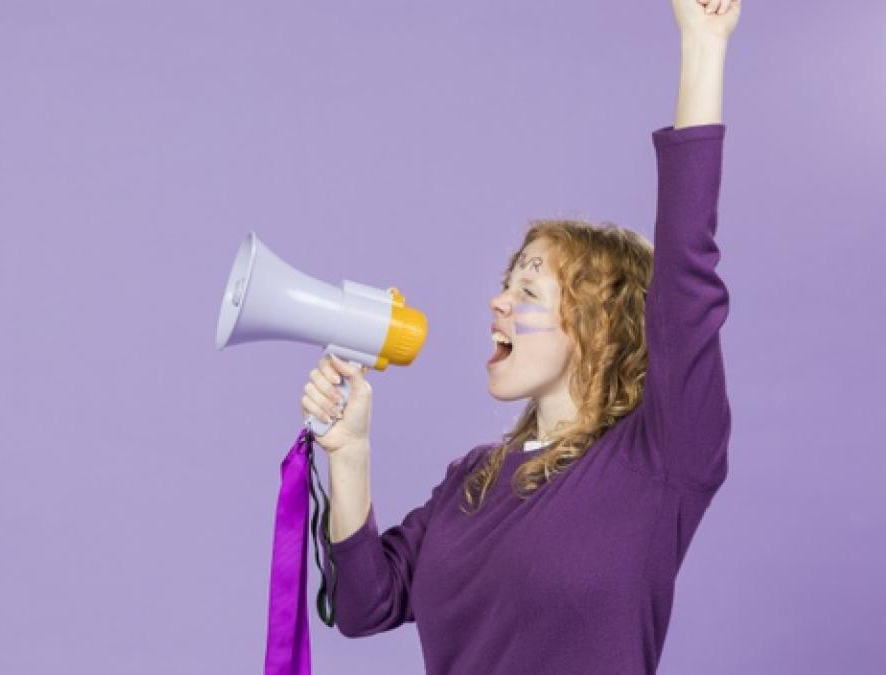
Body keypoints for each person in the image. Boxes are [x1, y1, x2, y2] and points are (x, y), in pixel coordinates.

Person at [298, 0, 742, 672]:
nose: (497, 302)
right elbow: (365, 605)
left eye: (528, 290)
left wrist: (702, 46)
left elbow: (686, 277)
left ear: (599, 327)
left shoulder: (661, 460)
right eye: (509, 281)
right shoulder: (471, 480)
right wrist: (351, 451)